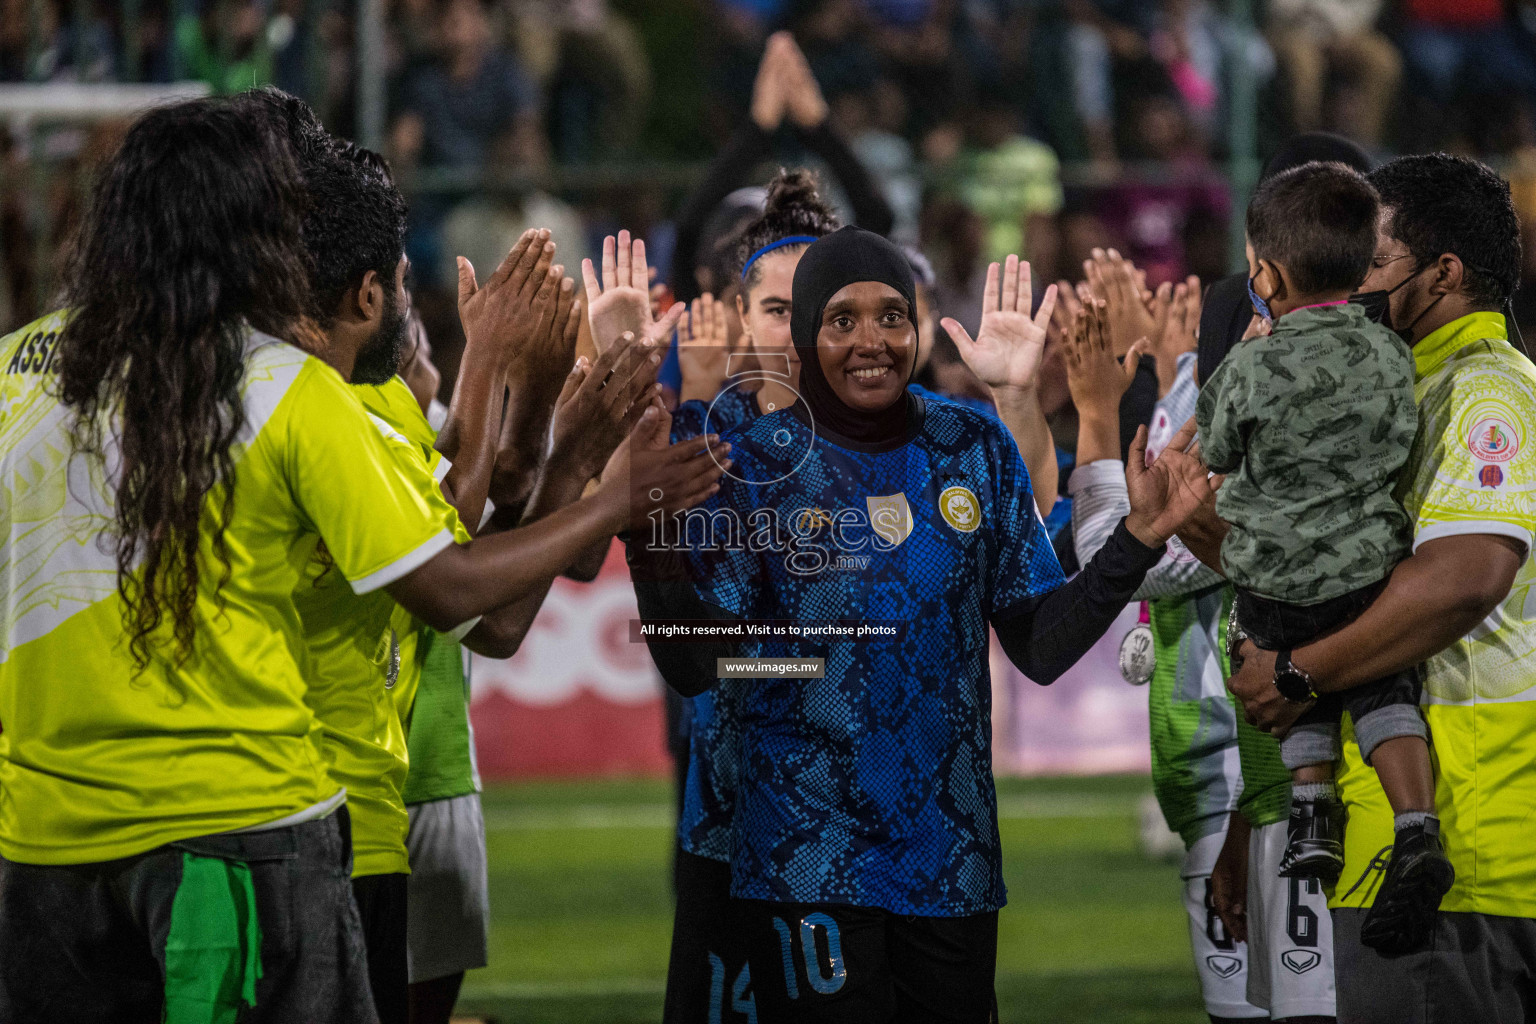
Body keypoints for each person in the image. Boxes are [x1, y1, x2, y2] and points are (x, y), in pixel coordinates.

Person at [0, 95, 727, 1024]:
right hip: (239, 828)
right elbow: (458, 590)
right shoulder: (281, 385)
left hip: (43, 850)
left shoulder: (18, 373)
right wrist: (610, 487)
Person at [634, 226, 1212, 1023]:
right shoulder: (755, 465)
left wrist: (1138, 541)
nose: (870, 341)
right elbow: (699, 665)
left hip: (951, 856)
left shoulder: (970, 447)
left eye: (890, 317)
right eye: (842, 320)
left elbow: (1040, 644)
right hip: (809, 854)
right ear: (804, 336)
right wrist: (648, 546)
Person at [1224, 153, 1536, 1023]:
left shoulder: (1485, 394)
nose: (1351, 278)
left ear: (1445, 274)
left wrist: (1299, 673)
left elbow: (1465, 579)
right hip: (1413, 838)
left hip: (1471, 854)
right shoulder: (1398, 384)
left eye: (1374, 257)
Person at [1197, 162, 1441, 951]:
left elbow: (1216, 448)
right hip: (1370, 573)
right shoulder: (1389, 353)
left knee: (1283, 668)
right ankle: (1416, 822)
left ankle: (1311, 815)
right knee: (1382, 692)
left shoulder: (1251, 364)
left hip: (1274, 575)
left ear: (1265, 273)